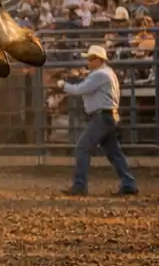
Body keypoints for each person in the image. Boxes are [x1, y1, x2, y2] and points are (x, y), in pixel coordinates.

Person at [58, 45, 138, 196]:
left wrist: (63, 84)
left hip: (102, 116)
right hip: (108, 116)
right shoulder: (107, 73)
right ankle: (129, 183)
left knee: (82, 147)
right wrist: (83, 75)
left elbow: (79, 90)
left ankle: (80, 185)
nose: (88, 61)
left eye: (91, 58)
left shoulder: (100, 75)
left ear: (99, 59)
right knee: (114, 152)